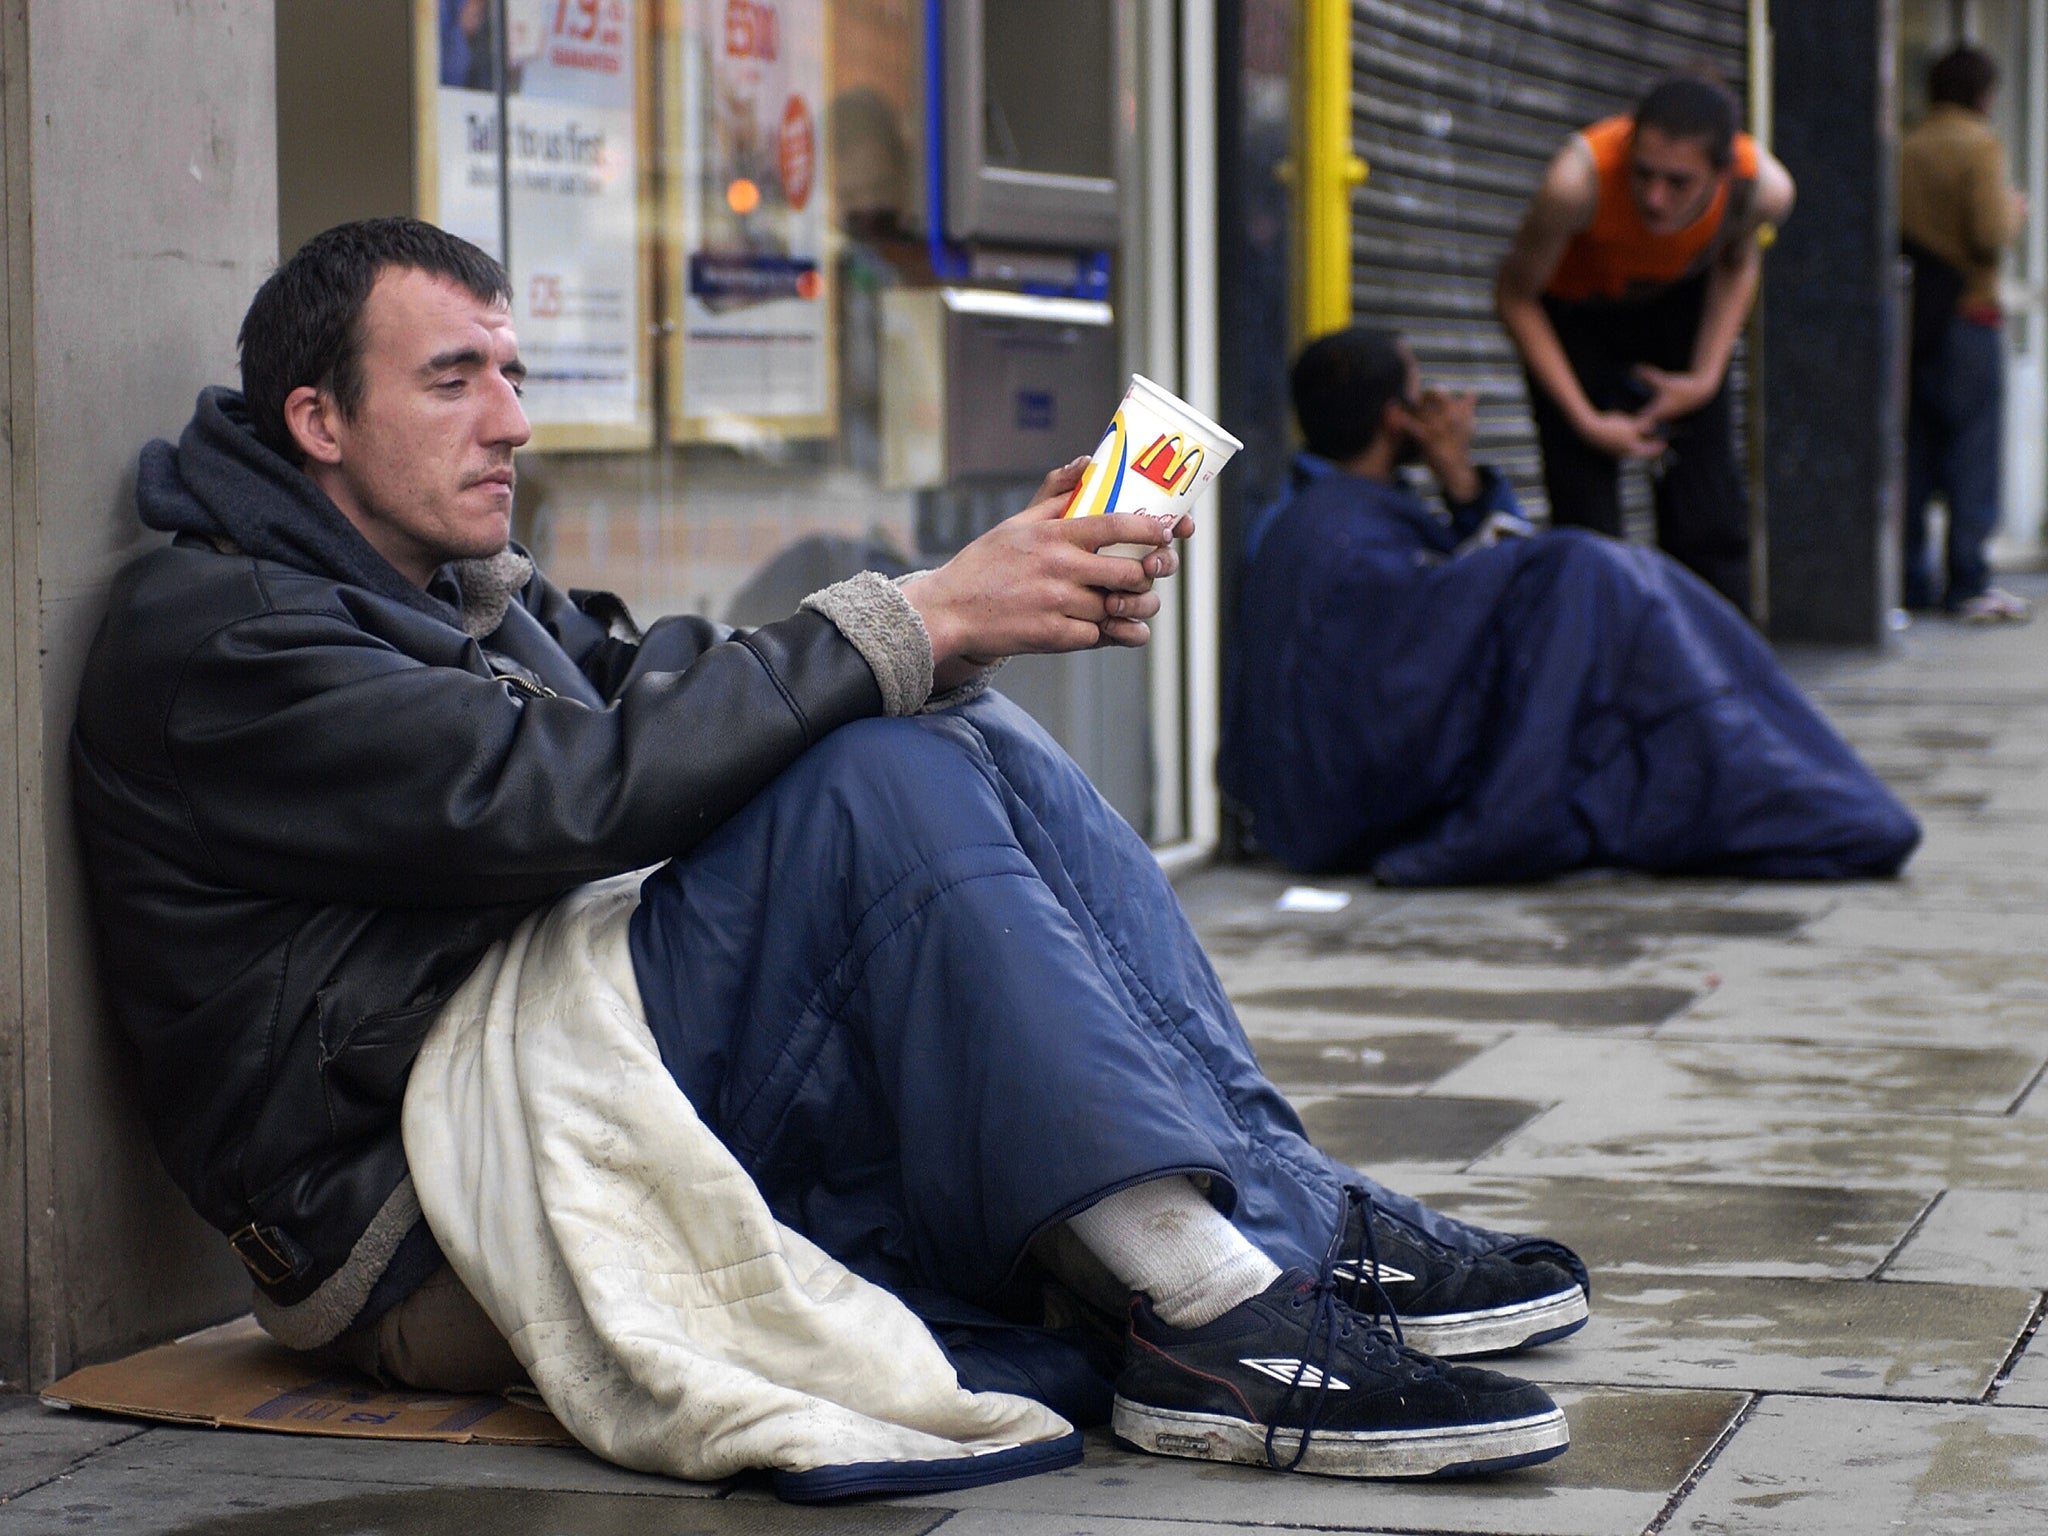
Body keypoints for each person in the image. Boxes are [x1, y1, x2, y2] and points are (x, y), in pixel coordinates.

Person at [71, 219, 1591, 1484]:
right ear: (317, 422)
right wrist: (916, 615)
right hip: (416, 1208)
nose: (513, 421)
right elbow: (556, 797)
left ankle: (1282, 1215)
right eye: (454, 379)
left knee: (945, 729)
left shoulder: (445, 581)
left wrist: (985, 598)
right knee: (867, 760)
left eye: (516, 374)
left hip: (538, 1067)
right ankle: (1207, 1316)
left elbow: (662, 688)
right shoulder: (220, 634)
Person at [1219, 325, 1920, 884]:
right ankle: (1817, 800)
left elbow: (1441, 619)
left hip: (1299, 813)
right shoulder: (1352, 534)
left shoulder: (1291, 520)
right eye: (1420, 393)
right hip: (1349, 806)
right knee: (1591, 583)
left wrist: (1462, 486)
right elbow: (1459, 630)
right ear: (1397, 419)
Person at [1496, 72, 1795, 614]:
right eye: (1643, 175)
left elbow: (1737, 263)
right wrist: (1584, 419)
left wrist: (1703, 378)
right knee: (1587, 528)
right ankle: (1594, 679)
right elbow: (1515, 297)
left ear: (1721, 173)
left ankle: (1717, 677)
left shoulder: (1762, 191)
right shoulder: (1576, 182)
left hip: (1676, 307)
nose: (1655, 199)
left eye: (1678, 182)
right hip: (1576, 316)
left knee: (1709, 515)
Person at [1900, 44, 2031, 624]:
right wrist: (2013, 213)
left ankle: (1911, 578)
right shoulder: (1980, 145)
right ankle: (1969, 580)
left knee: (1916, 450)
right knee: (1974, 451)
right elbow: (1988, 232)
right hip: (1969, 315)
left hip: (1916, 314)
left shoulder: (1904, 145)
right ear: (1983, 94)